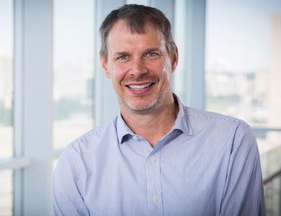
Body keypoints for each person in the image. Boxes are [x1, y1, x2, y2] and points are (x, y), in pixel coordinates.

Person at [52, 4, 266, 216]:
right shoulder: (77, 161)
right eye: (123, 57)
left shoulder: (232, 140)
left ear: (173, 58)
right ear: (106, 65)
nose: (137, 70)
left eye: (151, 54)